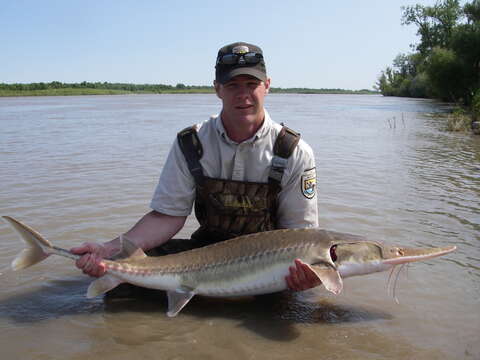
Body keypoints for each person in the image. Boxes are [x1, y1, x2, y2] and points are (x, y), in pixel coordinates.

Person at [71, 42, 321, 292]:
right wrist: (108, 249)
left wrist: (307, 275)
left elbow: (301, 236)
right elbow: (168, 215)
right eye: (232, 85)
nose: (243, 94)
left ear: (267, 85)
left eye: (251, 84)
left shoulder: (295, 152)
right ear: (217, 89)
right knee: (122, 270)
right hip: (206, 252)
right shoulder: (191, 143)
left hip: (268, 264)